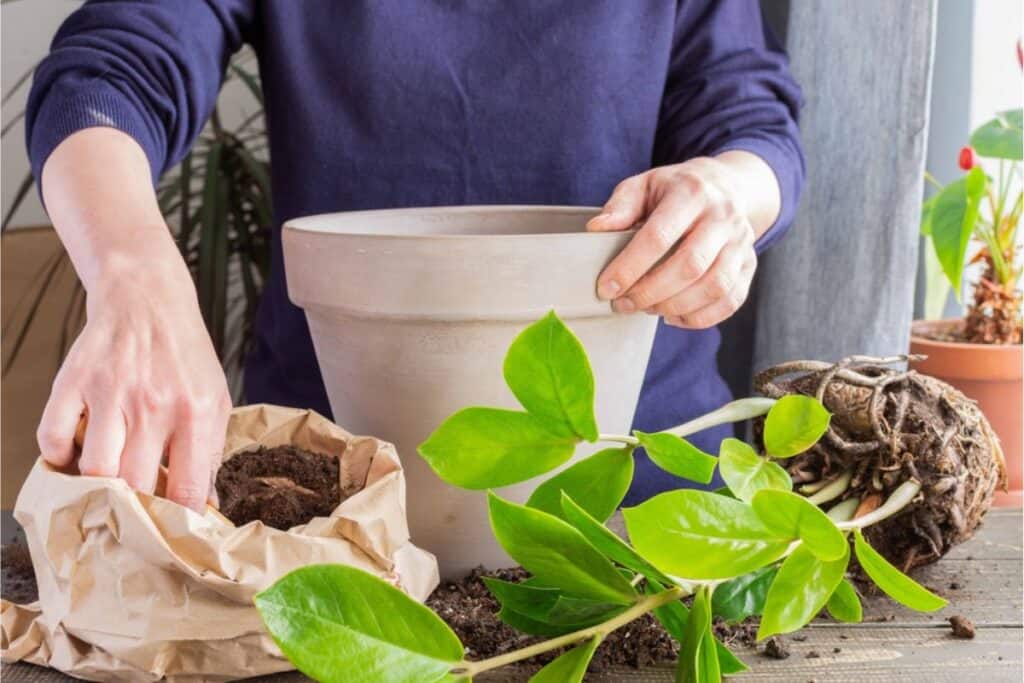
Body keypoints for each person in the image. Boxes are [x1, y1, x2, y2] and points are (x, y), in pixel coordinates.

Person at [26, 0, 803, 512]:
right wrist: (135, 274)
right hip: (325, 499)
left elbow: (750, 119)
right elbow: (107, 71)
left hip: (643, 496)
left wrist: (729, 191)